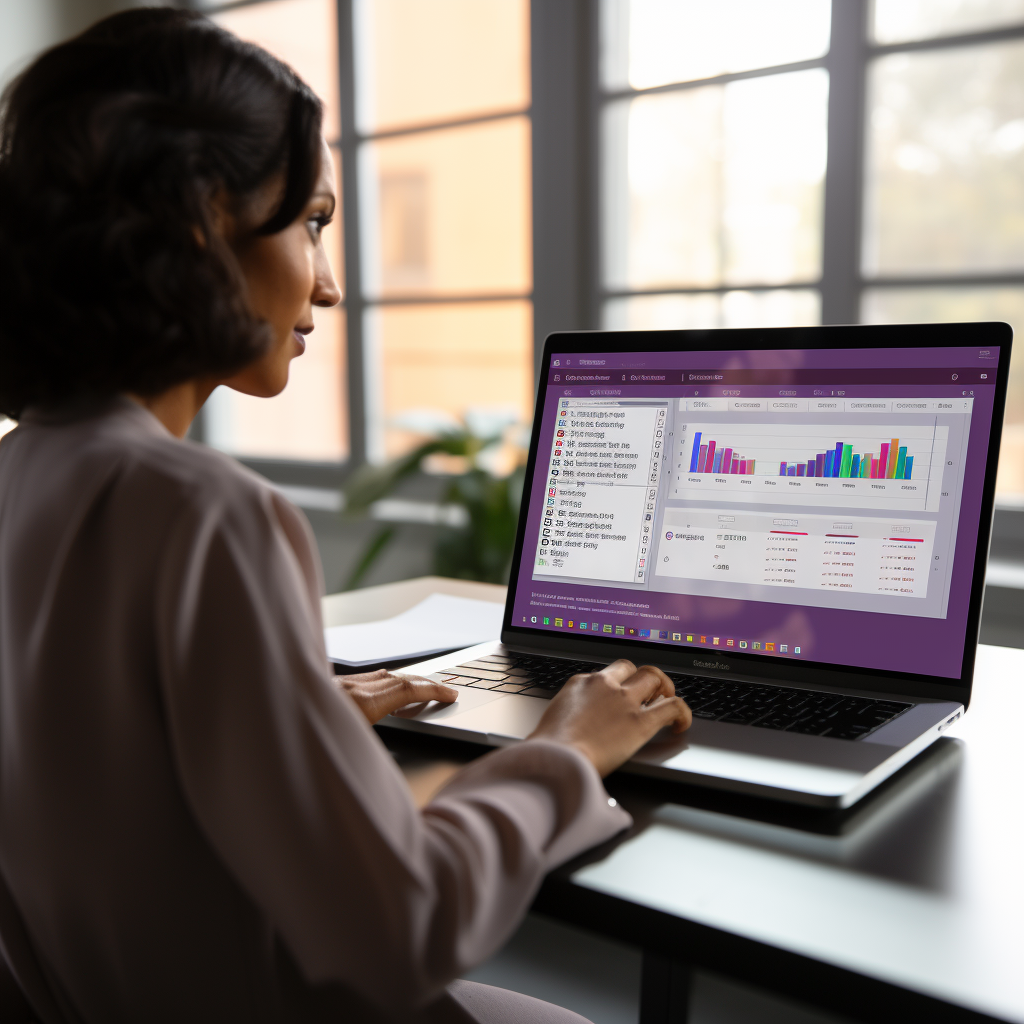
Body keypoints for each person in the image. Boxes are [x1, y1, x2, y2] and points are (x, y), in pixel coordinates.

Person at [0, 10, 691, 1024]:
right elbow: (397, 927)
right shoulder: (202, 512)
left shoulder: (24, 474)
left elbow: (91, 769)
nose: (326, 284)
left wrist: (290, 720)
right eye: (311, 222)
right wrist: (566, 751)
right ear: (202, 224)